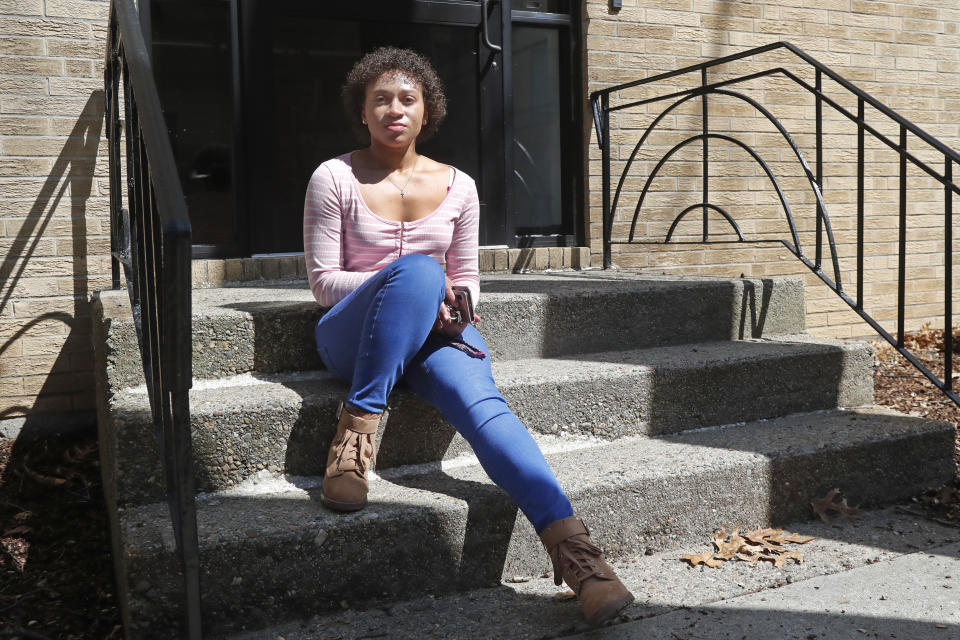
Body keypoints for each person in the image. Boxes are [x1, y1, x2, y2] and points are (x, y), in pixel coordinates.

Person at [303, 46, 634, 626]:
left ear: (427, 109)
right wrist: (415, 287)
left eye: (407, 98)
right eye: (380, 99)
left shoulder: (459, 186)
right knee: (420, 271)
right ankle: (355, 437)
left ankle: (578, 556)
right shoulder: (334, 177)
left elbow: (469, 279)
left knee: (488, 411)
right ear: (362, 109)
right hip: (351, 336)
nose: (394, 109)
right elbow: (325, 284)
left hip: (434, 335)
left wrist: (456, 304)